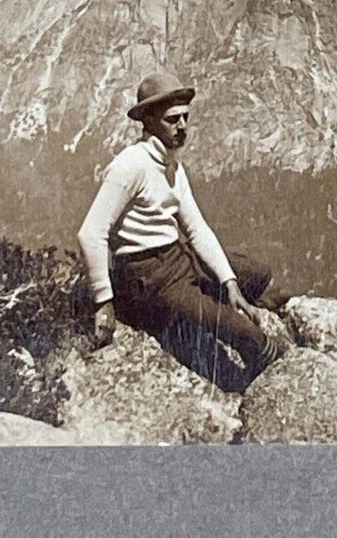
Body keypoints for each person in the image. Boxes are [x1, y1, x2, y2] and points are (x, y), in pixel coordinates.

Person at [77, 70, 290, 382]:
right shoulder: (130, 165)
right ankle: (269, 368)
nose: (182, 127)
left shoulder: (172, 165)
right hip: (149, 278)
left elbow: (196, 229)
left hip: (178, 259)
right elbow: (90, 232)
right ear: (148, 120)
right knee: (248, 336)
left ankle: (221, 295)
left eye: (185, 118)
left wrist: (230, 283)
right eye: (172, 119)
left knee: (257, 273)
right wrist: (103, 302)